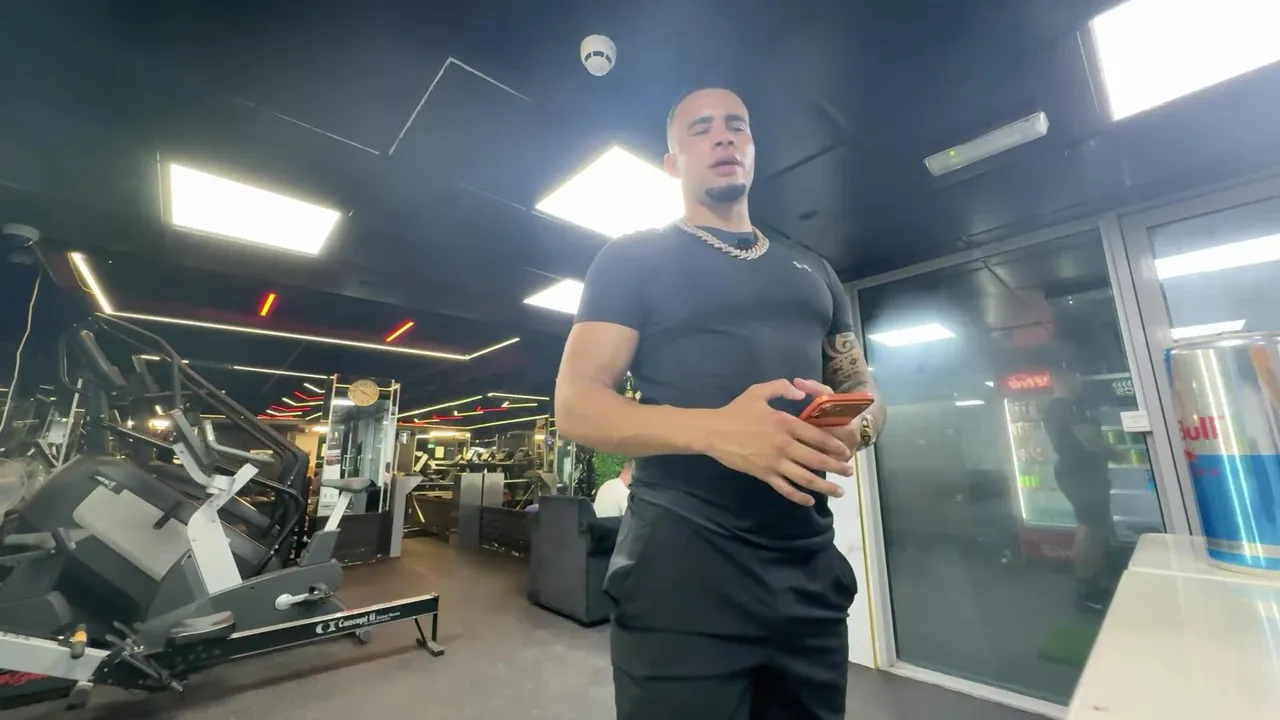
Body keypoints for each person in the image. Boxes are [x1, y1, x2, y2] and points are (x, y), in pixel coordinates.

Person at [555, 87, 885, 720]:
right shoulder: (631, 258)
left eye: (737, 125)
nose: (723, 136)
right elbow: (576, 405)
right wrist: (716, 431)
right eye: (701, 128)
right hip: (682, 579)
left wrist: (855, 427)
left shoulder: (814, 269)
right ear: (673, 161)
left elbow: (864, 395)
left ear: (753, 148)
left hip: (808, 576)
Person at [1044, 369, 1118, 612]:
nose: (1080, 384)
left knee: (1096, 527)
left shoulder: (1070, 407)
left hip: (1086, 473)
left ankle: (1094, 579)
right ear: (1065, 382)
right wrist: (1111, 452)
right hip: (1079, 474)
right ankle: (1086, 588)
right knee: (1088, 528)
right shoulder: (1061, 409)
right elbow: (1086, 440)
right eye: (1076, 380)